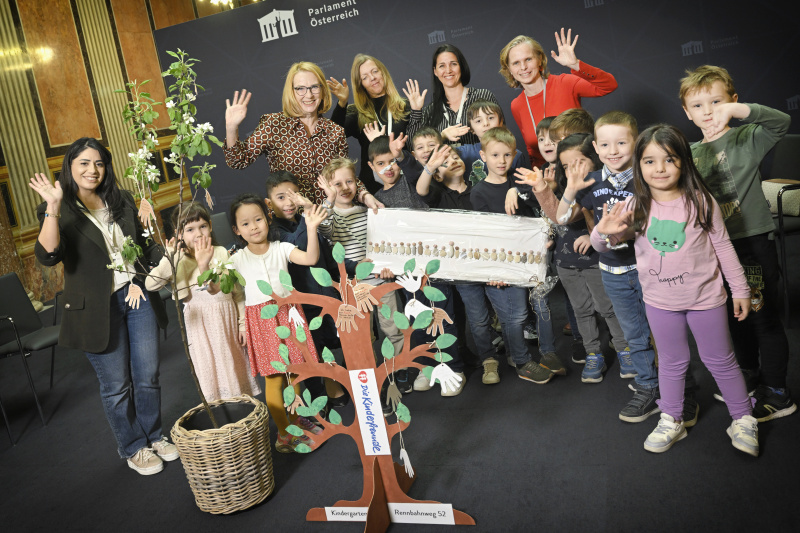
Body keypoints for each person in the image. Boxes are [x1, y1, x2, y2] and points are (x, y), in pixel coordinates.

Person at [592, 124, 759, 456]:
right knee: (671, 362)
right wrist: (601, 231)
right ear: (639, 165)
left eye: (668, 159)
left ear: (683, 161)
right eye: (650, 161)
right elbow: (604, 244)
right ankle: (671, 417)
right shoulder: (634, 205)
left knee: (721, 361)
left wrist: (740, 289)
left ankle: (743, 417)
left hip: (706, 300)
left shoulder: (700, 200)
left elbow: (724, 248)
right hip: (660, 302)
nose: (660, 169)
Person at [30, 138, 175, 476]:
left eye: (98, 163)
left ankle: (154, 435)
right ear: (70, 165)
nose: (92, 170)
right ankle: (133, 447)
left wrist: (166, 255)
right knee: (116, 385)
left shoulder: (120, 198)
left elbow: (140, 245)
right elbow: (48, 255)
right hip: (95, 308)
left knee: (148, 375)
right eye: (84, 163)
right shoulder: (58, 206)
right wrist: (52, 205)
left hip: (136, 295)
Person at [679, 65, 796, 422]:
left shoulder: (747, 137)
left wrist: (739, 113)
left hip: (751, 244)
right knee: (735, 317)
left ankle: (777, 391)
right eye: (698, 105)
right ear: (687, 112)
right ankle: (748, 373)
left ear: (733, 100)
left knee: (762, 317)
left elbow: (782, 123)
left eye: (717, 102)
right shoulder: (690, 152)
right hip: (712, 251)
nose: (708, 111)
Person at [550, 111, 668, 423]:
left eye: (621, 143)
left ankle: (680, 387)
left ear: (636, 142)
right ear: (596, 148)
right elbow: (561, 218)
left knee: (663, 332)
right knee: (633, 334)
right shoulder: (592, 181)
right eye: (605, 144)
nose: (613, 150)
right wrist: (572, 188)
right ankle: (647, 386)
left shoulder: (648, 176)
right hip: (613, 273)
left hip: (649, 270)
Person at [516, 133, 628, 384]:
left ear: (594, 158)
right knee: (581, 310)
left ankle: (625, 349)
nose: (572, 170)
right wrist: (543, 189)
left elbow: (604, 220)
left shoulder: (602, 184)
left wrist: (594, 237)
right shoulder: (571, 190)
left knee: (607, 308)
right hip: (568, 262)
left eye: (578, 162)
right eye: (566, 166)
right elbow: (560, 216)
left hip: (597, 261)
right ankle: (592, 354)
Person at [226, 193, 328, 453]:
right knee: (274, 379)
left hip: (288, 313)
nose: (254, 226)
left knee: (294, 371)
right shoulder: (235, 259)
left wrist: (312, 228)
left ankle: (294, 419)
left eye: (258, 219)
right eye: (246, 224)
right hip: (262, 321)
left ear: (268, 218)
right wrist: (208, 264)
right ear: (237, 230)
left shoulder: (282, 248)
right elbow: (217, 287)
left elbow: (310, 259)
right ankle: (283, 433)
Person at [223, 61, 382, 209]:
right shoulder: (273, 124)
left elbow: (345, 176)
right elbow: (237, 160)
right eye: (300, 88)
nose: (309, 95)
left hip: (330, 219)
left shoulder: (335, 131)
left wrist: (365, 195)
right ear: (291, 92)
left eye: (314, 87)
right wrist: (231, 128)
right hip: (293, 222)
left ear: (322, 89)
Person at [145, 202, 261, 402]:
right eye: (189, 229)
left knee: (233, 367)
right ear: (179, 233)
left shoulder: (221, 253)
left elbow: (234, 293)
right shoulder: (177, 258)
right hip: (200, 329)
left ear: (210, 226)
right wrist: (171, 257)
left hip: (227, 324)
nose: (198, 234)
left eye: (202, 227)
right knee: (211, 373)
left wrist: (242, 324)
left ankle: (245, 417)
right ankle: (224, 419)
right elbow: (150, 284)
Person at [469, 127, 557, 384]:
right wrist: (492, 270)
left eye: (507, 155)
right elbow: (484, 236)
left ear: (515, 155)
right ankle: (521, 361)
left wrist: (516, 191)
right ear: (483, 156)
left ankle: (541, 354)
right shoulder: (479, 193)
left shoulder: (521, 183)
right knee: (515, 314)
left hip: (530, 261)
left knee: (537, 308)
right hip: (501, 265)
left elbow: (537, 212)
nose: (501, 161)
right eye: (495, 155)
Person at [265, 171, 351, 409]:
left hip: (325, 295)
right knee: (312, 350)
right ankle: (319, 393)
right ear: (269, 202)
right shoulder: (274, 232)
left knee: (338, 343)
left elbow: (327, 257)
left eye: (294, 195)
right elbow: (300, 247)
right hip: (303, 303)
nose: (290, 202)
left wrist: (350, 270)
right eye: (281, 197)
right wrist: (311, 212)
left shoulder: (305, 220)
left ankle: (337, 380)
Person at [499, 28, 618, 168]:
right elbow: (533, 151)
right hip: (552, 178)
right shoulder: (517, 105)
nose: (523, 67)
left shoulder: (565, 83)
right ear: (510, 70)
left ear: (540, 60)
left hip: (584, 168)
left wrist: (576, 65)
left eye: (528, 59)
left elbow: (609, 85)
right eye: (516, 63)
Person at [327, 54, 410, 192]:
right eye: (364, 77)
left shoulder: (405, 106)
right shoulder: (357, 113)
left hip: (407, 181)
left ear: (383, 72)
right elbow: (333, 134)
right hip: (374, 189)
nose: (372, 78)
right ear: (361, 85)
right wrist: (342, 104)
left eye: (375, 72)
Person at [405, 44, 500, 147]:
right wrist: (416, 111)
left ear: (461, 67)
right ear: (435, 71)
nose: (448, 70)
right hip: (447, 163)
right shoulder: (430, 111)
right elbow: (412, 145)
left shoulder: (483, 96)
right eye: (442, 66)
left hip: (482, 161)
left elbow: (501, 134)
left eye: (453, 64)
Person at [456, 99, 530, 185]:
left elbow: (522, 186)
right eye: (478, 121)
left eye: (490, 118)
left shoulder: (516, 156)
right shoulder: (465, 152)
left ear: (501, 121)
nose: (486, 123)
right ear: (472, 129)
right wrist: (443, 136)